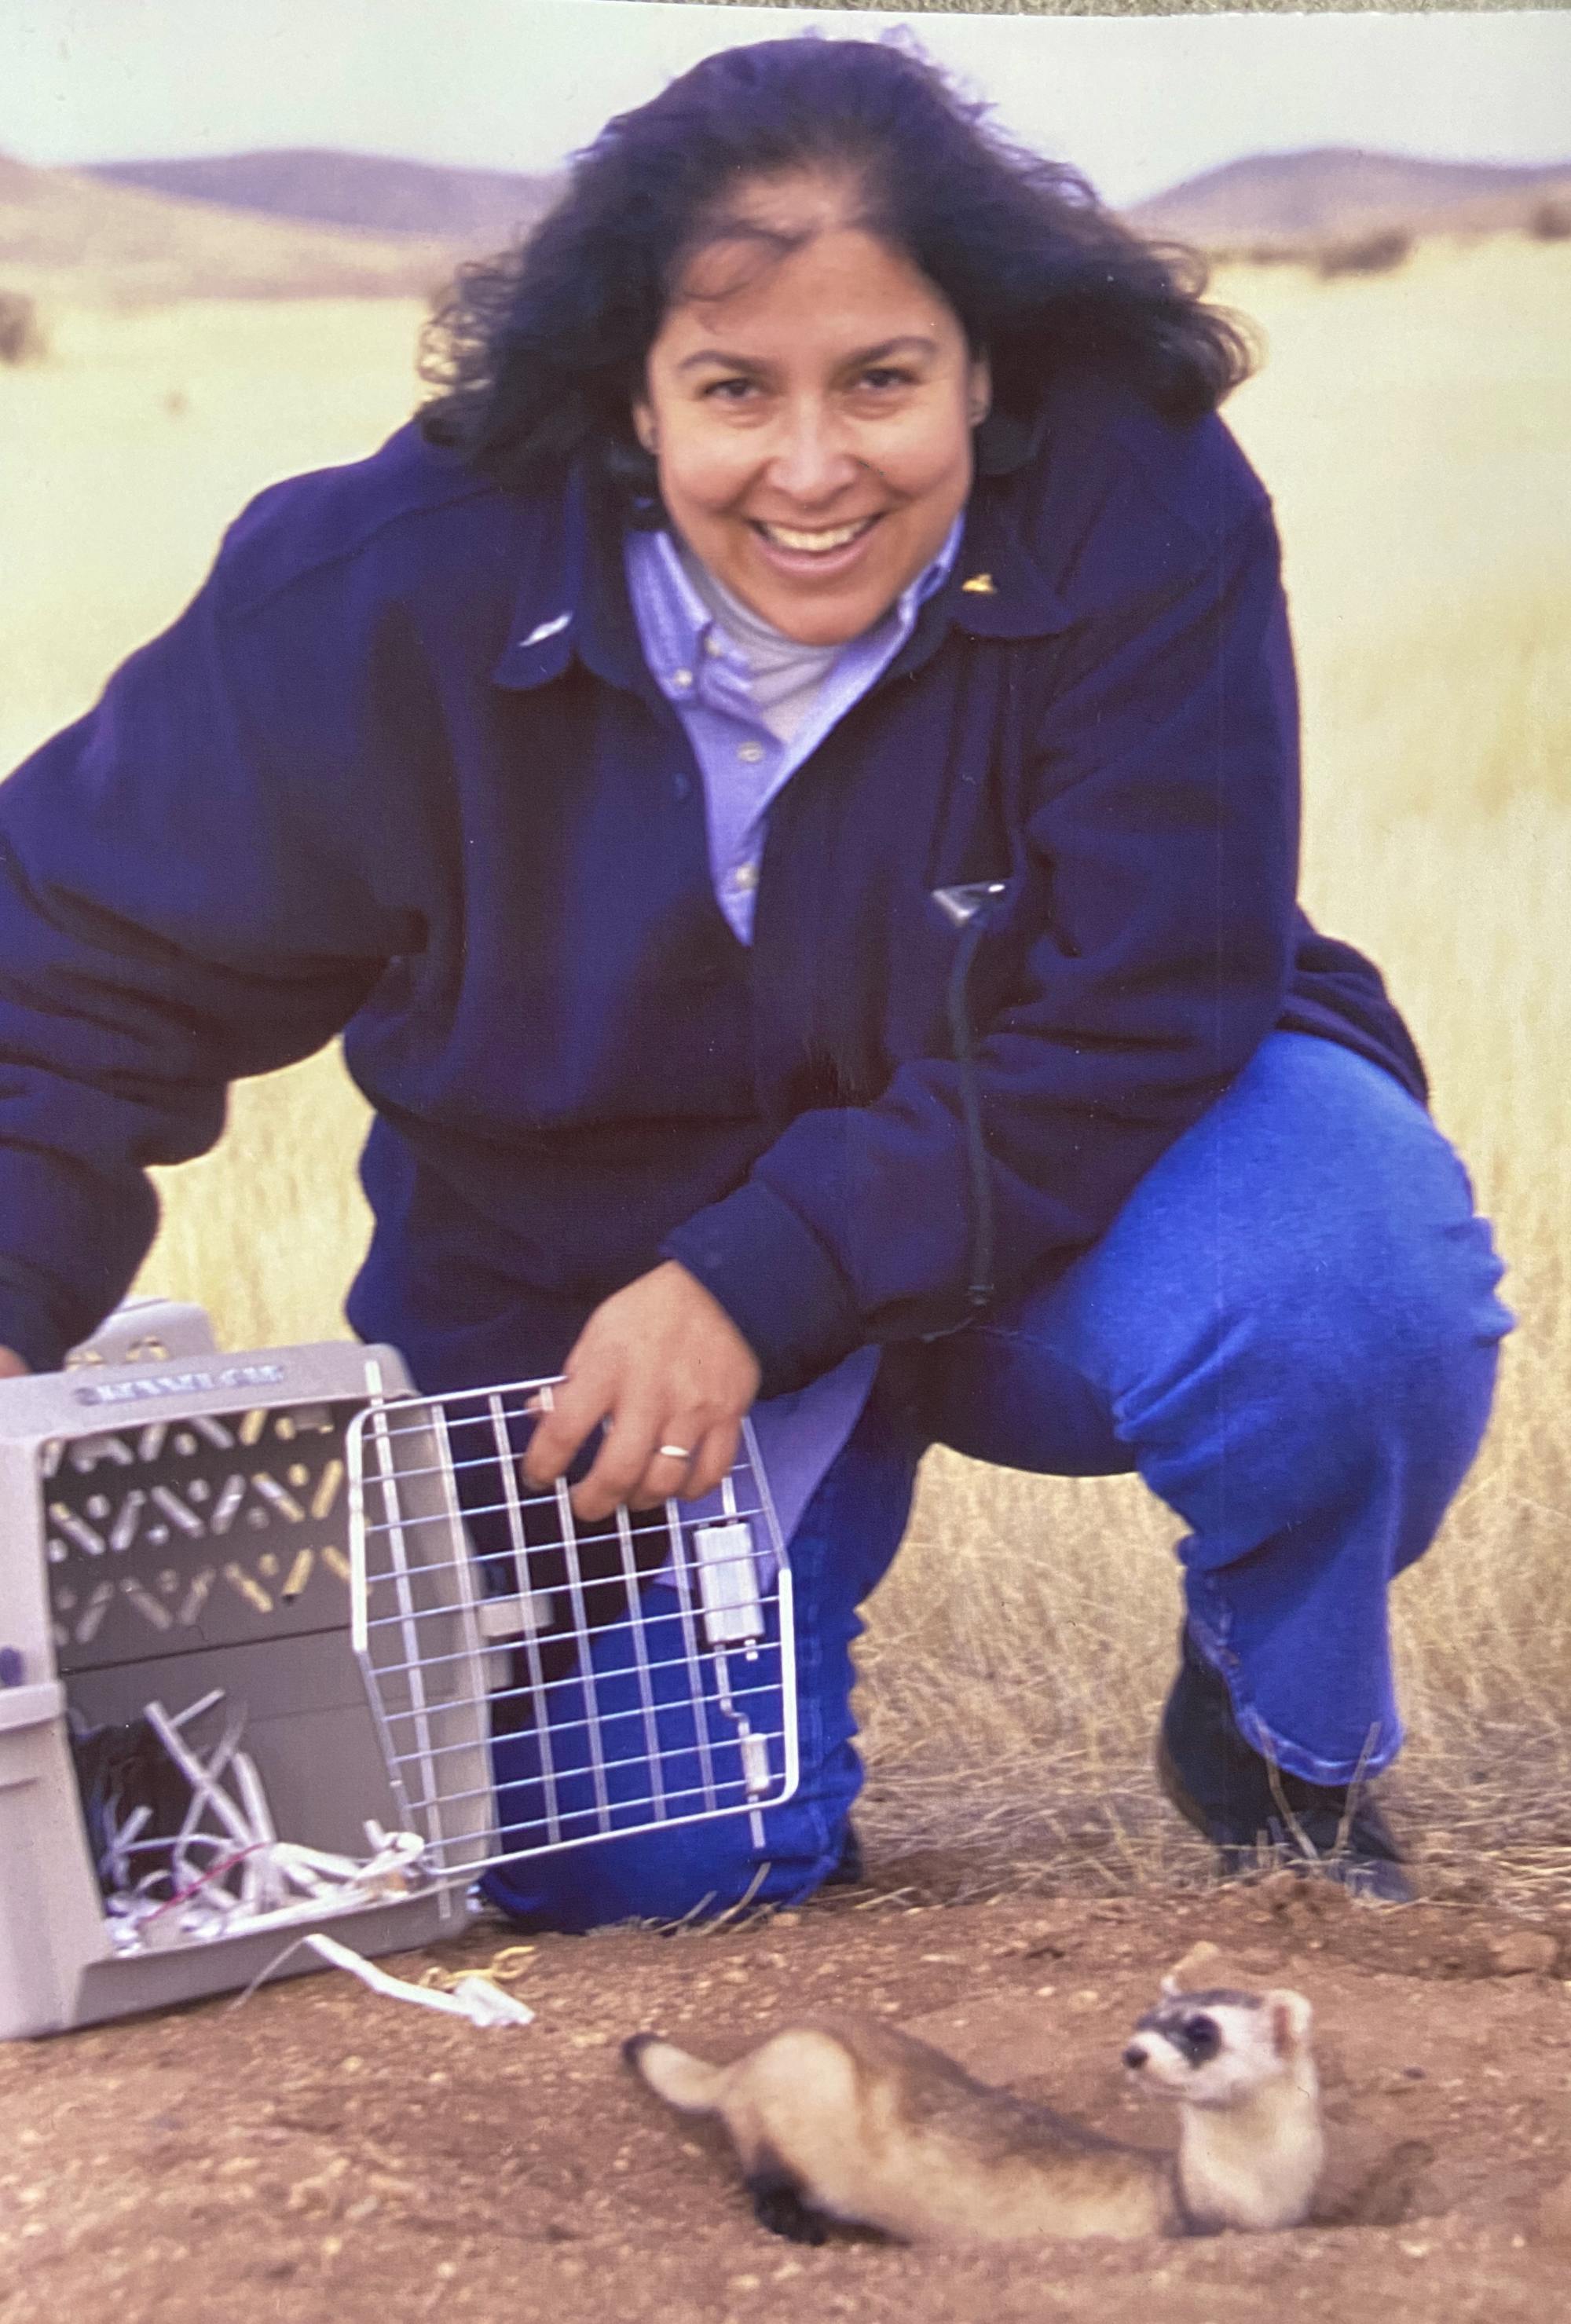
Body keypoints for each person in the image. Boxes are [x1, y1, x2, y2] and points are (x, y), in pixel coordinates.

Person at [0, 38, 1511, 1922]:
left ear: (982, 365)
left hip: (1074, 1188)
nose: (813, 469)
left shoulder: (1142, 505)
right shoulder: (382, 588)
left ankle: (1286, 1749)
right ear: (630, 397)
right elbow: (67, 974)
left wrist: (762, 1271)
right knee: (638, 1877)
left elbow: (1154, 988)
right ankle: (758, 1746)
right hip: (600, 1289)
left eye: (882, 380)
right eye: (734, 390)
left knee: (1341, 1297)